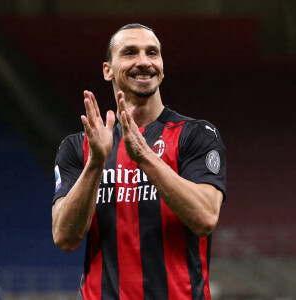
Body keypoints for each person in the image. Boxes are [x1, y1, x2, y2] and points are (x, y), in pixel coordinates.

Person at [52, 23, 226, 300]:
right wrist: (96, 163)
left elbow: (205, 218)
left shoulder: (196, 135)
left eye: (152, 53)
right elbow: (65, 238)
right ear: (108, 70)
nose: (144, 62)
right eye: (130, 53)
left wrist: (144, 156)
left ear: (162, 67)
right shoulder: (78, 147)